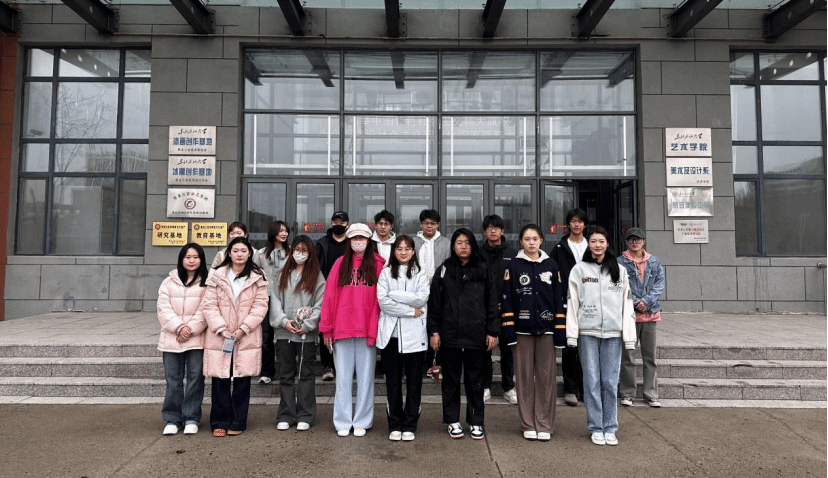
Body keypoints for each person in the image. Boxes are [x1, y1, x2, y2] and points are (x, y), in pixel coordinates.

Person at [566, 226, 635, 447]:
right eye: (593, 241)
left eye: (601, 241)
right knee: (592, 381)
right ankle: (596, 427)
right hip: (587, 333)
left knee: (610, 382)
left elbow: (627, 304)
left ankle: (610, 427)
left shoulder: (619, 270)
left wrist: (629, 336)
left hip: (613, 334)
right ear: (589, 244)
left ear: (608, 244)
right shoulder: (579, 270)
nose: (597, 245)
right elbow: (572, 303)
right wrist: (572, 335)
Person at [427, 228, 498, 441]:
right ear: (453, 246)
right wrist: (434, 331)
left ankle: (476, 421)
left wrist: (492, 331)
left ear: (473, 245)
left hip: (477, 335)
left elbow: (492, 302)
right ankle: (452, 420)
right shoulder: (444, 270)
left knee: (475, 380)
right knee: (450, 380)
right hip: (450, 335)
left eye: (467, 242)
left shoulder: (483, 269)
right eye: (459, 243)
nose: (463, 246)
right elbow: (435, 304)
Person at [319, 223, 385, 437]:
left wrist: (376, 329)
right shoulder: (340, 263)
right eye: (354, 238)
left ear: (369, 241)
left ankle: (362, 421)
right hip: (342, 328)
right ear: (349, 241)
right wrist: (326, 329)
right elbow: (329, 297)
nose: (358, 242)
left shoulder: (379, 264)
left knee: (366, 380)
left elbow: (381, 300)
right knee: (343, 379)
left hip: (367, 329)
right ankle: (342, 421)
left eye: (362, 238)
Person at [500, 225, 565, 442]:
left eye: (535, 238)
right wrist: (508, 329)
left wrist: (560, 330)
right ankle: (528, 423)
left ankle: (544, 423)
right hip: (522, 330)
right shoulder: (513, 265)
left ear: (541, 240)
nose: (531, 242)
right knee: (524, 379)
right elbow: (507, 298)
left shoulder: (551, 265)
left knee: (546, 379)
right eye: (527, 239)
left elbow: (558, 299)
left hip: (547, 329)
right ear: (521, 241)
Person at [202, 237, 269, 437]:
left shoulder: (258, 276)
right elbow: (209, 305)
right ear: (229, 253)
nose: (240, 254)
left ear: (250, 254)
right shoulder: (216, 275)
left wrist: (243, 329)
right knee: (220, 378)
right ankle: (219, 421)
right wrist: (221, 329)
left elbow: (260, 306)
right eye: (236, 250)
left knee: (242, 379)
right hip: (220, 335)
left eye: (244, 251)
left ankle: (239, 421)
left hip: (246, 335)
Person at [376, 235, 430, 442]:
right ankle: (395, 423)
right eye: (399, 248)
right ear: (394, 251)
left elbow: (421, 299)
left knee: (414, 383)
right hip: (391, 336)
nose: (403, 252)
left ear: (413, 251)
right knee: (393, 382)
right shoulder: (386, 273)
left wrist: (395, 295)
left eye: (407, 248)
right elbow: (383, 302)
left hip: (415, 336)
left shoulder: (420, 274)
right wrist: (409, 311)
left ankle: (410, 424)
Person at [270, 235, 325, 431]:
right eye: (297, 250)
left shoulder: (317, 276)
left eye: (304, 251)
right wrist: (283, 322)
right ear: (291, 251)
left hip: (305, 335)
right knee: (285, 374)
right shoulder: (281, 274)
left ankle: (305, 415)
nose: (300, 254)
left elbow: (320, 304)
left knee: (305, 374)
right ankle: (286, 414)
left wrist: (308, 325)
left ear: (310, 253)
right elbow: (274, 301)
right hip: (284, 334)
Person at [156, 243, 209, 436]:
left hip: (196, 339)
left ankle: (191, 417)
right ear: (181, 259)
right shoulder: (168, 282)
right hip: (172, 338)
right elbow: (163, 309)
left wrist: (190, 329)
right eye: (188, 257)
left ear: (201, 260)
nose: (192, 260)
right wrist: (179, 327)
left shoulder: (207, 283)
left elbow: (206, 309)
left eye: (196, 257)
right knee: (173, 380)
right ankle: (172, 418)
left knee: (195, 379)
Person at [617, 227, 665, 409]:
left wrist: (646, 301)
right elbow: (620, 284)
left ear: (643, 241)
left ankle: (651, 394)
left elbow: (659, 285)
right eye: (631, 239)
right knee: (628, 357)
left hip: (651, 315)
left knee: (649, 357)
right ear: (627, 242)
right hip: (629, 316)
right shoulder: (620, 262)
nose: (634, 242)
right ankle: (627, 393)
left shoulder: (654, 262)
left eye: (638, 239)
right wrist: (637, 301)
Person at [550, 208, 589, 407]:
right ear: (568, 224)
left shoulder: (592, 245)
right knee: (569, 348)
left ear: (584, 224)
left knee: (588, 348)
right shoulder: (559, 248)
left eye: (580, 221)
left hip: (589, 303)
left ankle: (586, 388)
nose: (576, 224)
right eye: (573, 221)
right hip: (567, 303)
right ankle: (570, 389)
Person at [479, 214, 517, 404]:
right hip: (485, 309)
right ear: (485, 231)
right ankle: (485, 386)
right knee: (485, 349)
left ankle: (508, 387)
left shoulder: (512, 252)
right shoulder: (478, 253)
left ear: (502, 230)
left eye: (496, 228)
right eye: (489, 228)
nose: (493, 231)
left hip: (507, 308)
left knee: (507, 351)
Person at [413, 209, 450, 378]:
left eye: (433, 223)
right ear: (421, 224)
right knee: (419, 326)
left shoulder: (446, 243)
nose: (429, 226)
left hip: (440, 292)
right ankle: (419, 365)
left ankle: (434, 363)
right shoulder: (413, 242)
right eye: (426, 223)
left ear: (438, 225)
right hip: (417, 292)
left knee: (436, 327)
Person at [315, 211, 350, 381]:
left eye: (342, 222)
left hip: (349, 292)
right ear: (331, 223)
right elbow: (316, 267)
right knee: (326, 328)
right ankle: (327, 365)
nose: (338, 225)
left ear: (347, 224)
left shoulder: (352, 243)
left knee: (346, 327)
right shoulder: (322, 243)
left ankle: (345, 365)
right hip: (327, 291)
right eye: (336, 222)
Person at [257, 220, 291, 384]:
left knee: (286, 335)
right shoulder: (261, 254)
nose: (284, 234)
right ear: (273, 232)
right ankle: (267, 371)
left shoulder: (291, 252)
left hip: (286, 297)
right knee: (266, 336)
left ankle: (288, 370)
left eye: (286, 231)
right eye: (280, 231)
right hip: (266, 297)